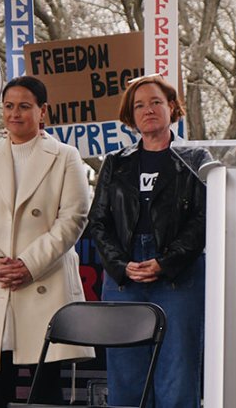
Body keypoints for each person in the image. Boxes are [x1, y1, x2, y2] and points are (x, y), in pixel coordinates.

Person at [0, 76, 93, 405]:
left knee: (46, 387)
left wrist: (29, 265)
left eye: (24, 107)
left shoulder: (66, 156)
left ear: (43, 111)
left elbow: (73, 217)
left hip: (45, 279)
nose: (15, 114)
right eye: (9, 106)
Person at [87, 75, 208, 408]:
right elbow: (98, 223)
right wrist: (121, 266)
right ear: (130, 116)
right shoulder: (115, 163)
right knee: (126, 380)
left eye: (155, 101)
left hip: (178, 277)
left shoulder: (195, 158)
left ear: (171, 106)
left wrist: (166, 263)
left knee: (177, 378)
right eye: (138, 105)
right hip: (124, 276)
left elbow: (203, 220)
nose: (148, 110)